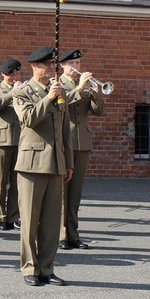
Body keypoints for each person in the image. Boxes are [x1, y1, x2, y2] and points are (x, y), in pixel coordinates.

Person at [13, 46, 73, 287]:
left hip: (56, 163)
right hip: (32, 163)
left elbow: (64, 130)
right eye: (46, 65)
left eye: (53, 65)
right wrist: (48, 98)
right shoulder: (23, 91)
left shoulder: (59, 92)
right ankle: (30, 267)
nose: (51, 69)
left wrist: (68, 162)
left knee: (51, 221)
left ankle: (47, 267)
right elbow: (28, 119)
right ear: (34, 66)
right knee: (30, 220)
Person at [57, 49, 105, 250]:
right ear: (62, 65)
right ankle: (61, 235)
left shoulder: (84, 85)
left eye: (78, 63)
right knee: (62, 192)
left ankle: (73, 234)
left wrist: (96, 93)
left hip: (82, 143)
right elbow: (61, 105)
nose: (76, 67)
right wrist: (80, 89)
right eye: (72, 64)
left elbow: (98, 111)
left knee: (75, 193)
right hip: (64, 142)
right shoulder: (56, 84)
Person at [0, 59, 22, 231]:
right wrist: (13, 93)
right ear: (3, 75)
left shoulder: (23, 88)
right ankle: (1, 216)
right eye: (10, 75)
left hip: (21, 139)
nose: (14, 77)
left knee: (17, 181)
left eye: (16, 74)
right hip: (2, 140)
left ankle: (14, 216)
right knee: (0, 180)